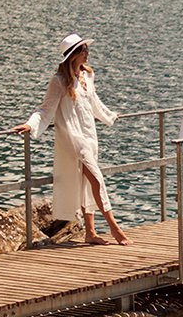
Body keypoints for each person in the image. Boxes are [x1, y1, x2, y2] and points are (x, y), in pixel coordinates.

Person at [10, 34, 130, 245]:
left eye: (86, 49)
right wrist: (30, 125)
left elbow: (94, 102)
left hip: (89, 135)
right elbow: (45, 109)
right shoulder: (59, 81)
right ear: (73, 54)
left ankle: (90, 232)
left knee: (87, 183)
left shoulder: (87, 75)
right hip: (73, 137)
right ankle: (114, 227)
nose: (87, 53)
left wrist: (110, 116)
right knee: (97, 179)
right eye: (83, 50)